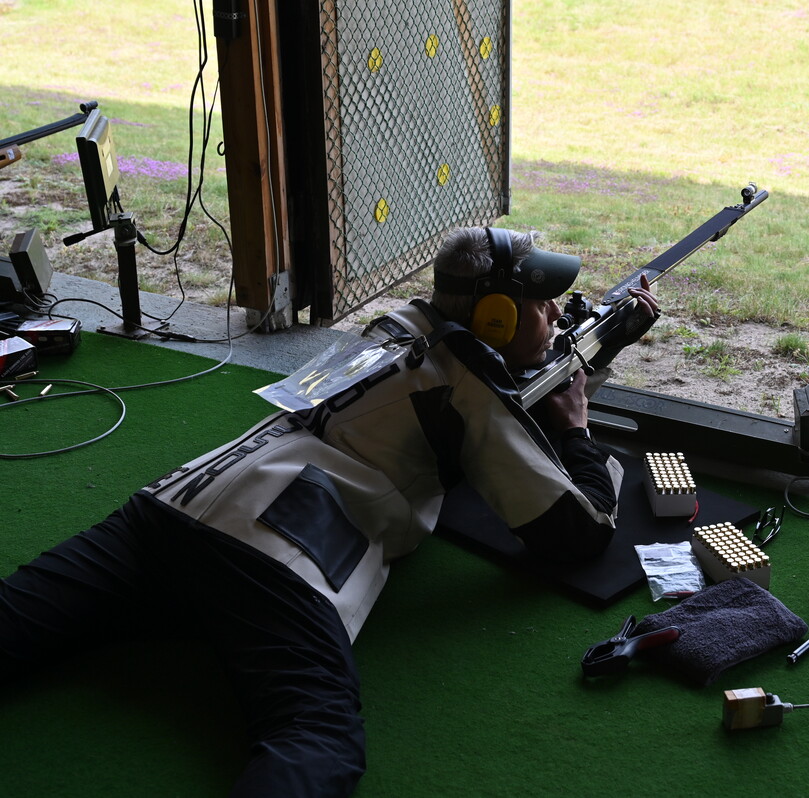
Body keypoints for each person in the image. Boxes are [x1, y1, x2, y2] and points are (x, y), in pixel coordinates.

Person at [0, 227, 659, 797]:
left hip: (172, 508)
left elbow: (485, 388)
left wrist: (599, 345)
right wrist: (576, 429)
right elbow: (575, 533)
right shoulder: (470, 381)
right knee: (317, 742)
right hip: (279, 560)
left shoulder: (396, 326)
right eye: (540, 303)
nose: (555, 312)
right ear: (494, 319)